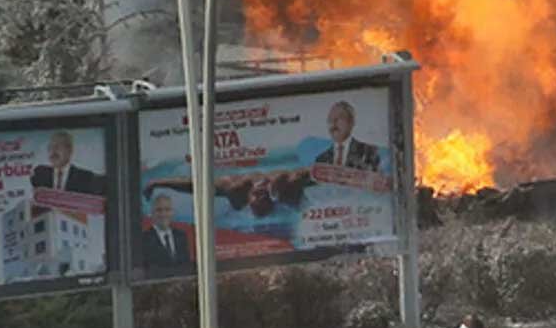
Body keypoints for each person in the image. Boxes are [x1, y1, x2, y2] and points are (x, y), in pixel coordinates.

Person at [144, 168, 312, 218]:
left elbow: (308, 173)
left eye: (262, 197)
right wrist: (157, 182)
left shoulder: (286, 188)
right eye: (257, 196)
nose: (260, 195)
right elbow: (195, 184)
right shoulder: (235, 189)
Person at [31, 131, 106, 195]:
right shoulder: (40, 173)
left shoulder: (85, 177)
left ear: (69, 150)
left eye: (57, 147)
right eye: (50, 147)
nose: (53, 152)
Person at [314, 101, 381, 171]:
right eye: (330, 119)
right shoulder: (321, 160)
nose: (333, 123)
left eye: (339, 117)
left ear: (351, 122)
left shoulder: (369, 152)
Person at [141, 194, 192, 268]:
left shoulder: (181, 236)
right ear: (152, 213)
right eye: (159, 210)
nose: (163, 214)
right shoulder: (143, 239)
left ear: (172, 212)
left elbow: (187, 266)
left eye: (167, 210)